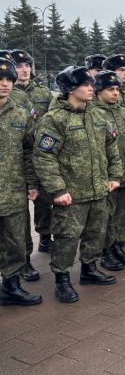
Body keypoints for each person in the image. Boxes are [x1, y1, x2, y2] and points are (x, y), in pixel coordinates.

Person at [33, 65, 123, 303]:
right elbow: (44, 157)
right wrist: (57, 190)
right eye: (86, 85)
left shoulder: (98, 115)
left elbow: (111, 147)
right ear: (71, 89)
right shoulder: (55, 119)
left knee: (96, 231)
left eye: (91, 85)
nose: (91, 89)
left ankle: (89, 269)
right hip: (71, 194)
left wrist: (114, 176)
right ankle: (62, 279)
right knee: (67, 237)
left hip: (98, 189)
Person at [0, 59, 42, 307]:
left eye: (8, 80)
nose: (4, 84)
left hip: (13, 191)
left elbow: (29, 151)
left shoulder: (20, 113)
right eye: (0, 80)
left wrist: (32, 182)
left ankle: (11, 286)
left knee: (15, 242)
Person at [10, 49, 53, 281]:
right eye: (18, 65)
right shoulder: (7, 93)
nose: (24, 69)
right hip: (14, 160)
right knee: (17, 213)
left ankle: (45, 236)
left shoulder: (44, 93)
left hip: (40, 155)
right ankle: (22, 258)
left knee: (44, 198)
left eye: (27, 65)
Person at [92, 71, 125, 271]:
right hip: (107, 176)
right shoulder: (93, 114)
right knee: (107, 215)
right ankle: (105, 251)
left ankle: (118, 246)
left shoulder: (124, 112)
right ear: (98, 91)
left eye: (117, 90)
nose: (115, 93)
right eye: (110, 90)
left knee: (122, 213)